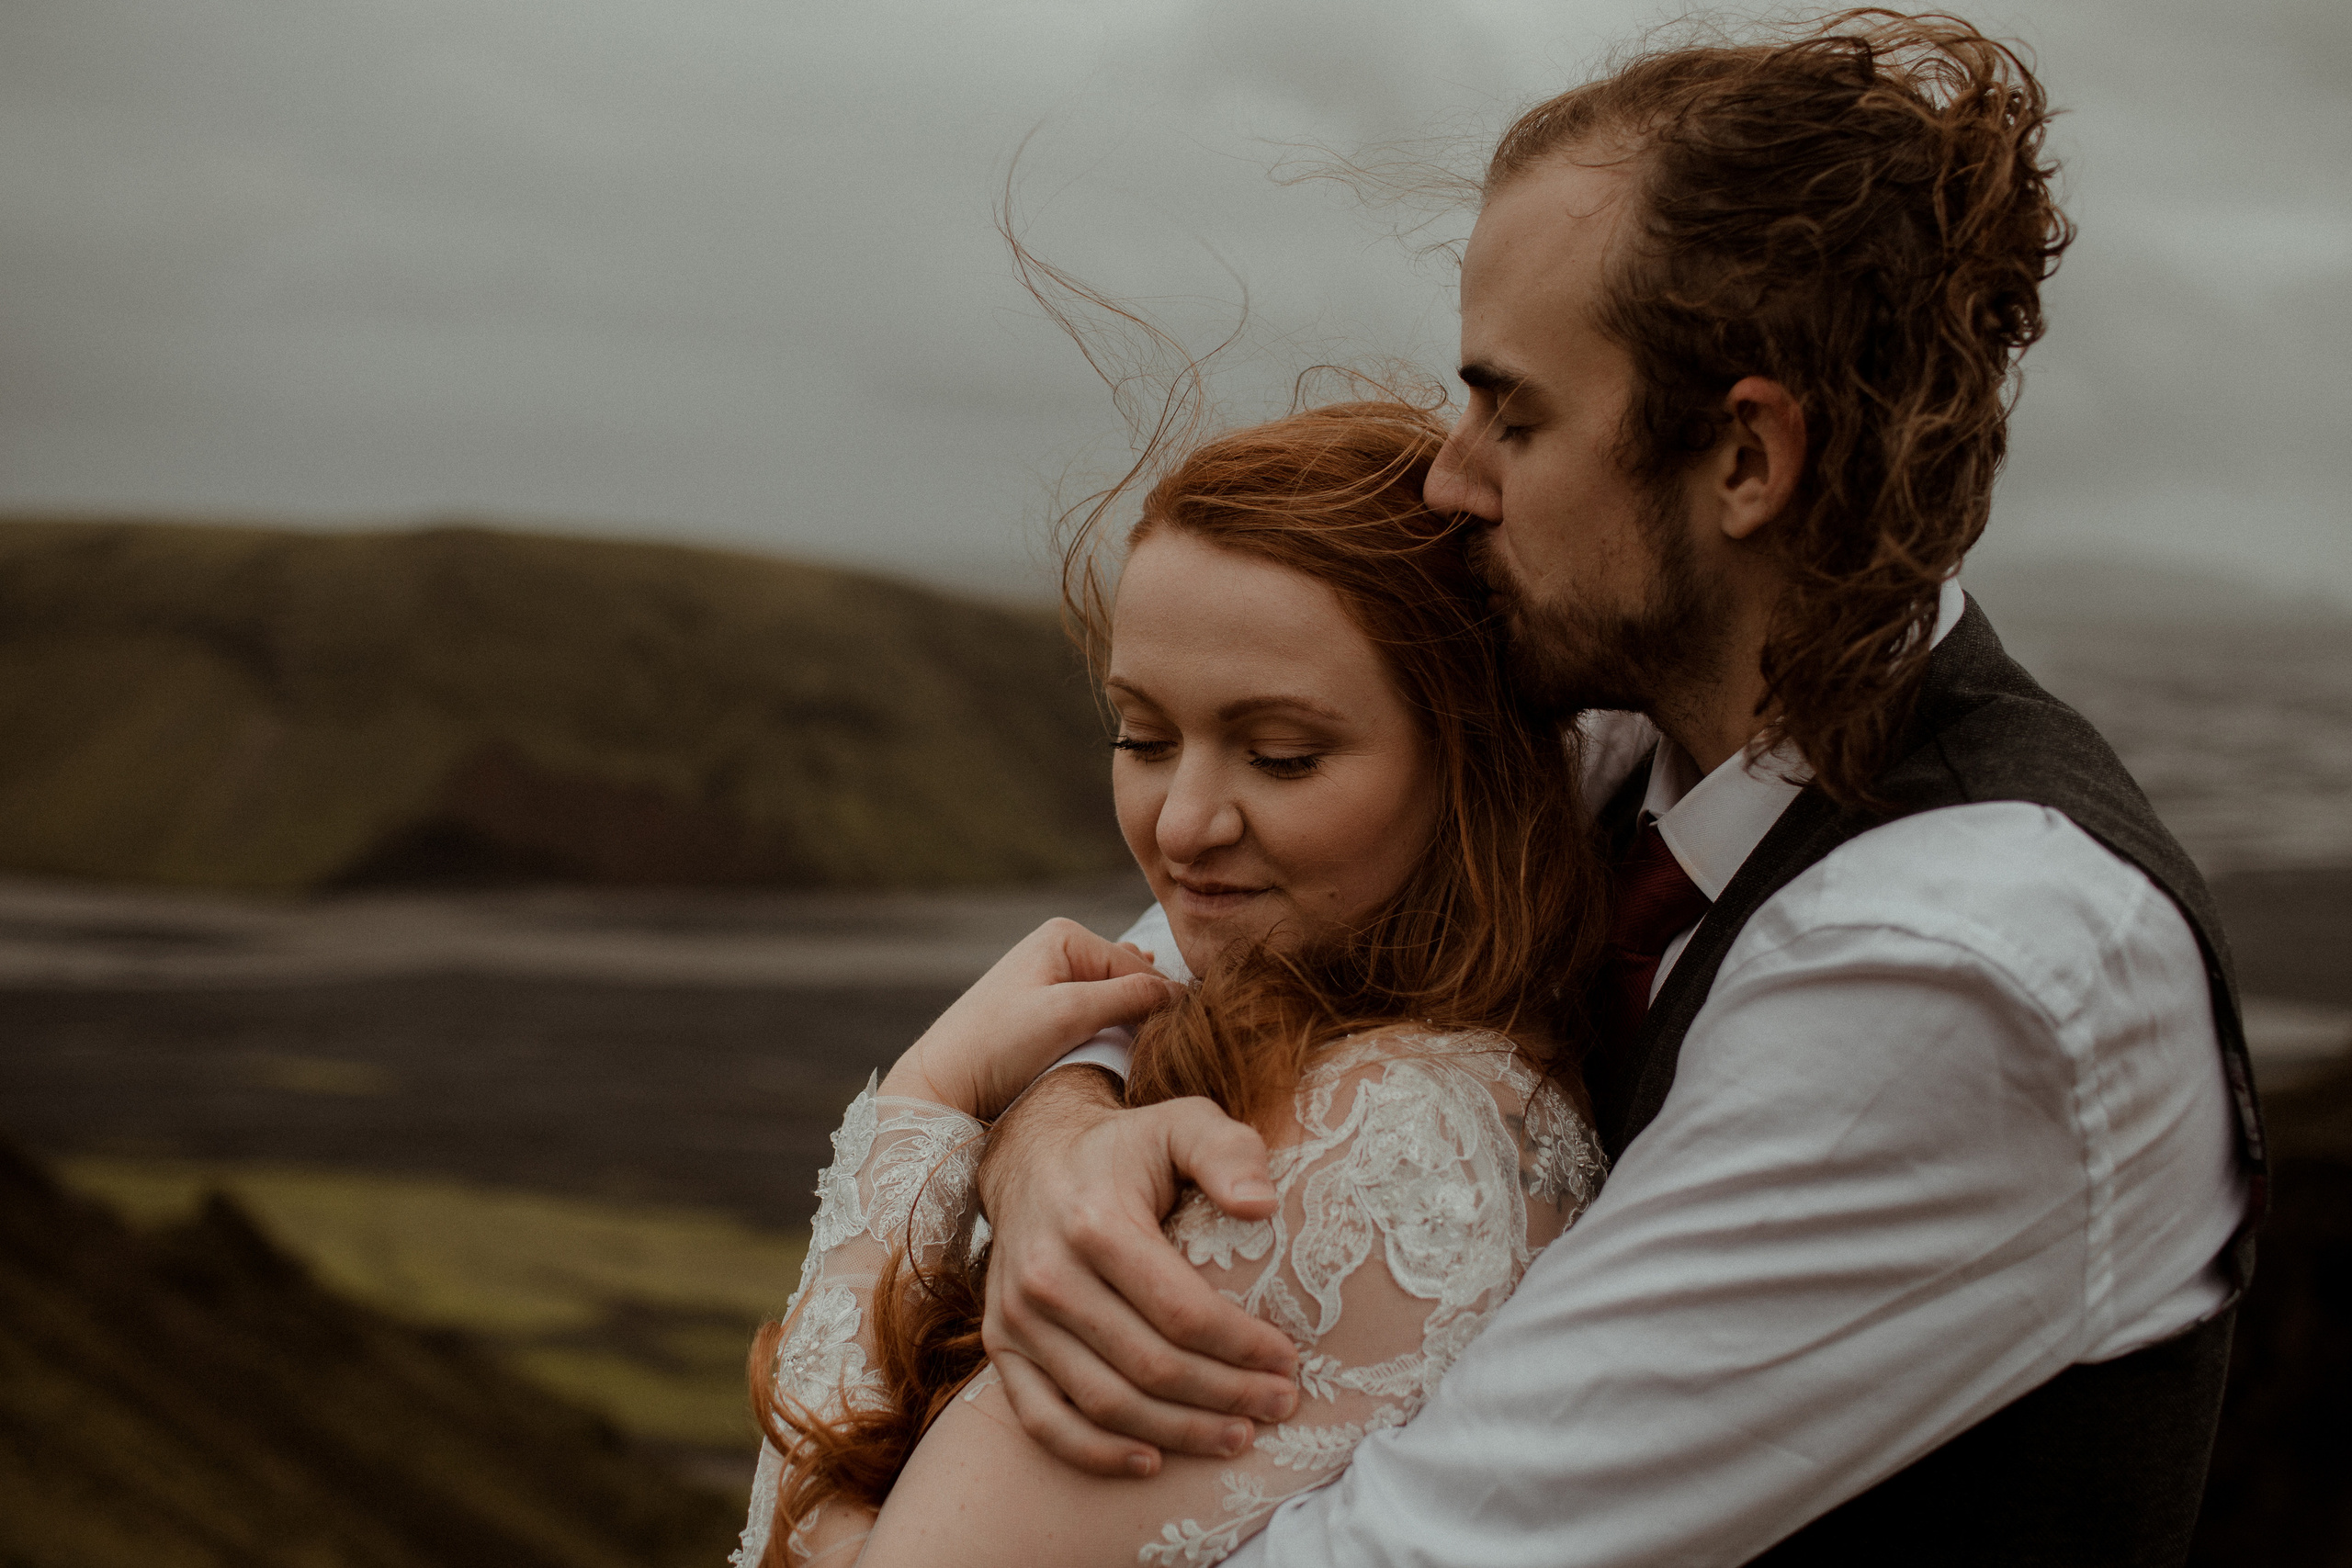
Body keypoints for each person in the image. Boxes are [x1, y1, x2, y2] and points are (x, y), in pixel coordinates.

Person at [971, 12, 2264, 1567]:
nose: (1453, 480)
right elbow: (1168, 959)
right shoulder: (1604, 749)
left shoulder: (1968, 959)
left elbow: (1422, 1554)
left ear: (1743, 460)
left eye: (1514, 416)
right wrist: (1064, 1132)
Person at [735, 401, 1615, 1565]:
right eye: (1143, 739)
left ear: (1472, 763)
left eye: (1283, 756)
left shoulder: (1375, 1150)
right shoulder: (1376, 1038)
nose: (1183, 826)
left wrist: (927, 1105)